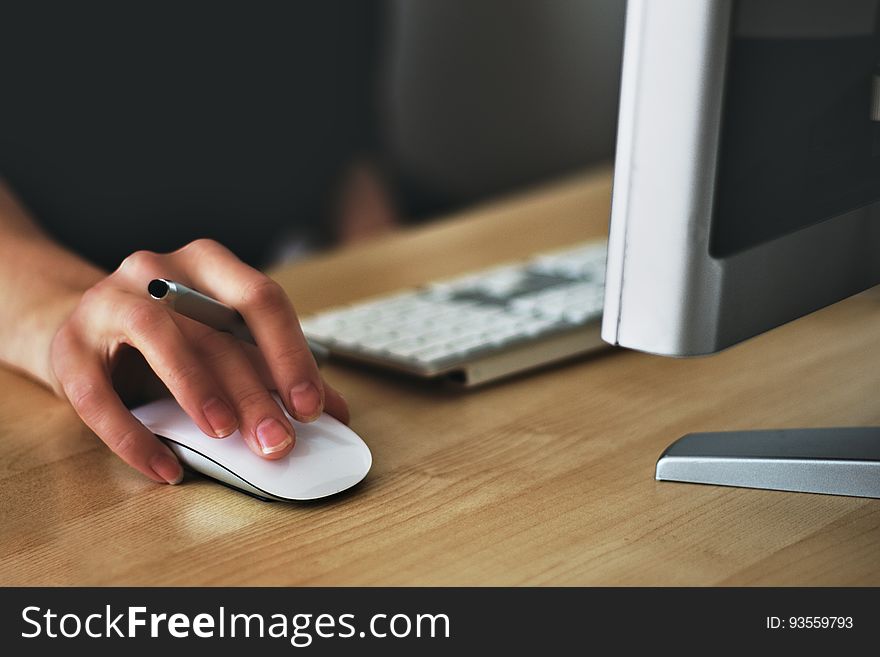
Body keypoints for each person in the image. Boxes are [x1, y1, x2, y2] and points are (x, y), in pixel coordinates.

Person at [0, 2, 395, 486]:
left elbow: (350, 143)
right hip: (74, 278)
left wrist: (387, 294)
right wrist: (64, 315)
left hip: (273, 297)